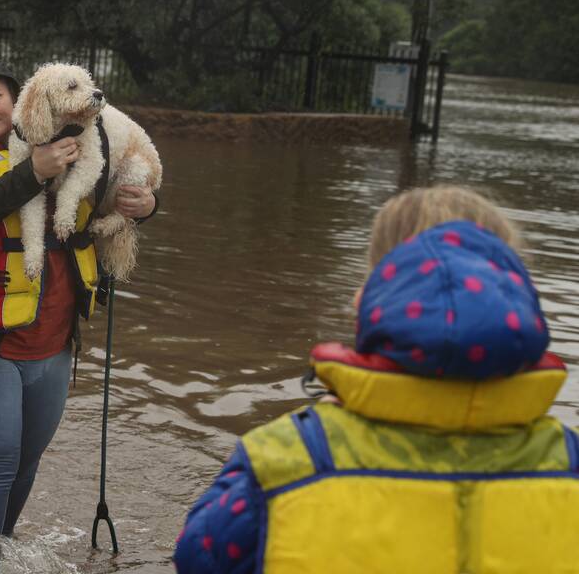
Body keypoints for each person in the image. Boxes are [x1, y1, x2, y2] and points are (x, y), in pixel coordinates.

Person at [173, 185, 579, 574]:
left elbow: (197, 556)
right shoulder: (571, 462)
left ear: (365, 300)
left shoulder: (285, 460)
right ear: (518, 299)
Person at [0, 45, 157, 546]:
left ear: (16, 96)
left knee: (24, 462)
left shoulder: (72, 138)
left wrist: (146, 205)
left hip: (53, 340)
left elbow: (111, 188)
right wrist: (34, 170)